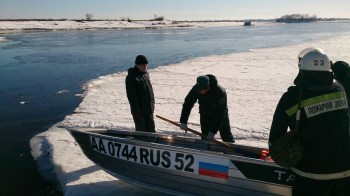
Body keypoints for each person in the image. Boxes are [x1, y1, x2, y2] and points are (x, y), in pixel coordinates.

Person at [269, 49, 350, 195]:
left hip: (312, 173)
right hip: (346, 170)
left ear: (302, 70)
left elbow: (275, 139)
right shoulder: (339, 88)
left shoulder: (292, 97)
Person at [179, 74, 234, 142]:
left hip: (219, 115)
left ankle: (231, 148)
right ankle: (206, 150)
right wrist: (183, 121)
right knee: (205, 136)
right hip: (205, 114)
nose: (199, 92)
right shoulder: (196, 88)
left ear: (207, 87)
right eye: (198, 89)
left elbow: (221, 114)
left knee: (226, 135)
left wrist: (213, 132)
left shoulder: (220, 92)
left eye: (201, 90)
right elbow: (187, 104)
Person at [125, 55, 155, 132]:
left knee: (151, 131)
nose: (145, 67)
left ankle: (151, 144)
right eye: (143, 65)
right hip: (139, 113)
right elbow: (131, 97)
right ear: (137, 65)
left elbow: (150, 91)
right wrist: (137, 112)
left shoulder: (146, 74)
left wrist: (152, 104)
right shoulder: (131, 77)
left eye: (146, 65)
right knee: (141, 133)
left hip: (149, 110)